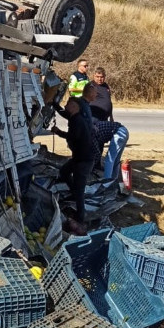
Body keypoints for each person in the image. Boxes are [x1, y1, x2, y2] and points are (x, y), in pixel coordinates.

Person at [51, 98, 94, 235]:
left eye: (68, 104)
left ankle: (80, 218)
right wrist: (55, 105)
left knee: (80, 190)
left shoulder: (77, 121)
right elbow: (65, 113)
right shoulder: (75, 116)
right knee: (64, 172)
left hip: (84, 160)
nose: (66, 105)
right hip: (79, 158)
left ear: (75, 107)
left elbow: (73, 136)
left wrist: (58, 131)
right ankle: (74, 191)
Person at [88, 68, 129, 180]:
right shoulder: (91, 86)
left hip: (104, 118)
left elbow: (108, 102)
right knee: (92, 140)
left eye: (102, 77)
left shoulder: (106, 86)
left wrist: (111, 116)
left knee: (100, 142)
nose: (100, 79)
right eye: (97, 76)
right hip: (94, 117)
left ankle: (97, 164)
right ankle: (90, 166)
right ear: (93, 76)